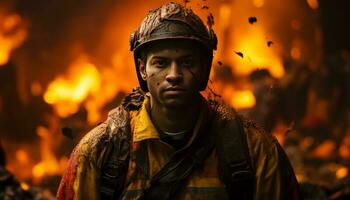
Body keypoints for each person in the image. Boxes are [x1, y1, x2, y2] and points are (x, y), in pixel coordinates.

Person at [57, 2, 301, 200]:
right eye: (161, 63)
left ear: (205, 69)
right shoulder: (99, 154)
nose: (174, 75)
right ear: (142, 70)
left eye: (187, 62)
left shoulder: (254, 151)